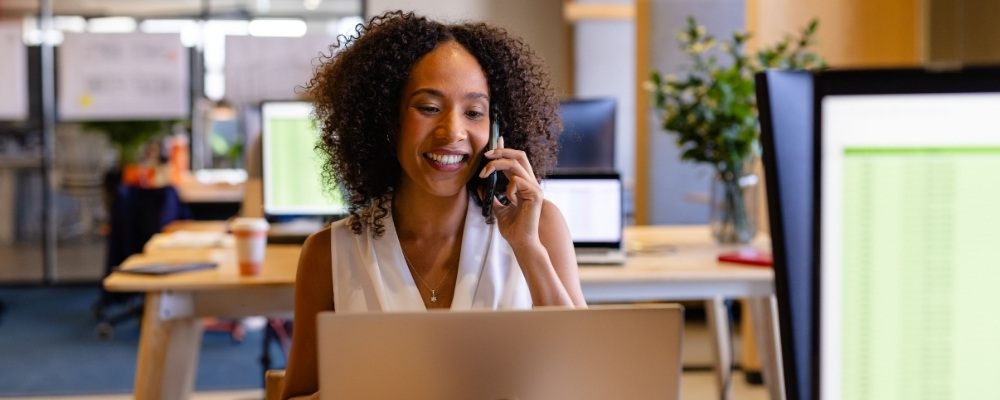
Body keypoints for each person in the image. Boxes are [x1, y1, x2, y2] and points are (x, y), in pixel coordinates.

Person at [281, 10, 587, 399]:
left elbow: (585, 378)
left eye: (474, 112)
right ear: (386, 118)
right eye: (428, 108)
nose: (452, 132)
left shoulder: (538, 229)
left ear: (496, 130)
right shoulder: (328, 252)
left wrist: (527, 249)